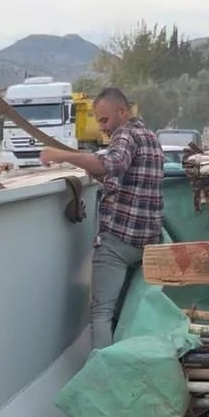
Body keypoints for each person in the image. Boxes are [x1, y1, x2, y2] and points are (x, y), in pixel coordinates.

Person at [40, 87, 164, 349]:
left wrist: (61, 156)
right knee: (125, 313)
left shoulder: (126, 134)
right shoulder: (151, 138)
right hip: (146, 242)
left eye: (105, 120)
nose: (102, 128)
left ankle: (102, 377)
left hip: (117, 241)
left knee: (101, 313)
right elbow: (129, 179)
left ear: (122, 111)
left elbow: (111, 165)